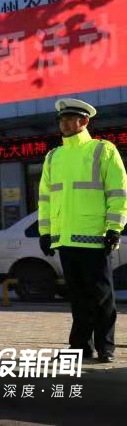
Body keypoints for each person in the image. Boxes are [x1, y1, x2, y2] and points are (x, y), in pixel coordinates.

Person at [38, 98, 127, 363]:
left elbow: (118, 192)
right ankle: (80, 347)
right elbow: (45, 198)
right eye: (62, 120)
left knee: (101, 297)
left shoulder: (102, 150)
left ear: (84, 121)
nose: (64, 124)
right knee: (78, 298)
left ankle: (105, 347)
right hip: (65, 239)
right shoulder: (53, 156)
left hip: (95, 237)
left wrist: (114, 228)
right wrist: (45, 232)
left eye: (70, 119)